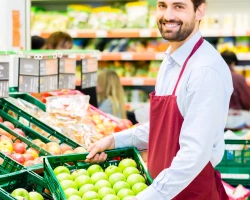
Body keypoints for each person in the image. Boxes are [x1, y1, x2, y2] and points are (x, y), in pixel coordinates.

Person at [85, 0, 232, 199]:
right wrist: (113, 141)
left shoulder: (205, 70)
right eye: (162, 5)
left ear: (200, 11)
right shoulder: (169, 62)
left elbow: (193, 155)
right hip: (164, 189)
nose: (168, 15)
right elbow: (164, 127)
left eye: (179, 6)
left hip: (189, 193)